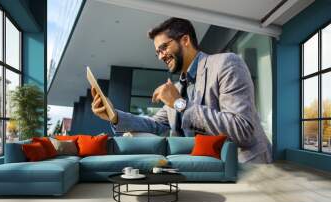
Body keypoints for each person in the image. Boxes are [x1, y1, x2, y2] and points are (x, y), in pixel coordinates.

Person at [91, 17, 272, 163]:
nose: (161, 56)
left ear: (185, 40)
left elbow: (243, 130)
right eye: (157, 52)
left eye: (164, 47)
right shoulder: (178, 88)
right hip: (201, 167)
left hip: (244, 168)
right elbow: (155, 125)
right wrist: (114, 116)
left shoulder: (226, 64)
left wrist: (180, 104)